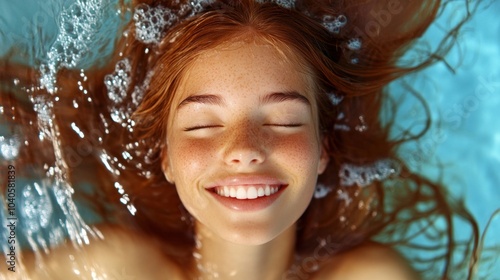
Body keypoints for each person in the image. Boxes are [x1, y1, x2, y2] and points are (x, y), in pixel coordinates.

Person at [0, 0, 480, 279]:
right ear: (165, 157)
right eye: (203, 124)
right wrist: (9, 172)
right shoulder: (120, 268)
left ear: (323, 150)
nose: (244, 148)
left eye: (285, 121)